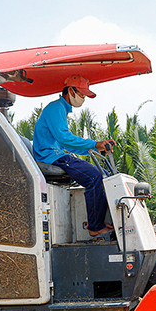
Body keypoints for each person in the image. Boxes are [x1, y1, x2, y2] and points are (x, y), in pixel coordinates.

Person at [33, 75, 115, 237]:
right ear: (70, 90)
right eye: (82, 94)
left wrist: (95, 149)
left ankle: (100, 220)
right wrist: (94, 144)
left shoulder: (61, 110)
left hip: (57, 154)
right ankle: (95, 227)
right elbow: (65, 139)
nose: (83, 99)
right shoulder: (56, 108)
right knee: (95, 177)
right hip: (50, 156)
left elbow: (65, 143)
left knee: (104, 175)